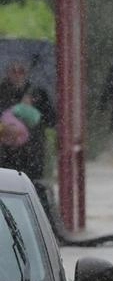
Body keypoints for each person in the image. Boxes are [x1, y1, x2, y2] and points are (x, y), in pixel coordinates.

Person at [0, 60, 58, 229]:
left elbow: (52, 120)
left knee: (33, 191)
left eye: (21, 71)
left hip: (32, 154)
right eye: (14, 70)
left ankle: (36, 227)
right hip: (5, 155)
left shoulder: (38, 93)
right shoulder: (1, 92)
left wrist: (32, 110)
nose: (17, 74)